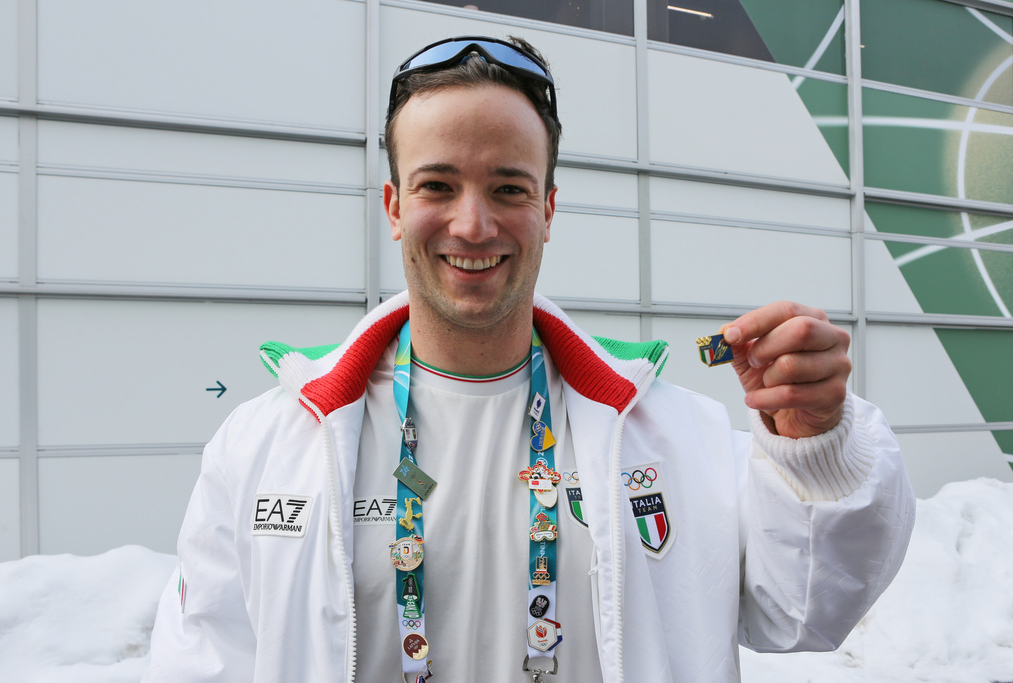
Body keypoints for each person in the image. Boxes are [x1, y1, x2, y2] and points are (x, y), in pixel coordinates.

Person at [144, 36, 915, 683]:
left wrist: (814, 443)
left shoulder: (677, 437)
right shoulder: (264, 446)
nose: (472, 224)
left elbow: (802, 611)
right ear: (393, 208)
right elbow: (200, 662)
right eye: (437, 185)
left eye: (508, 188)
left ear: (547, 209)